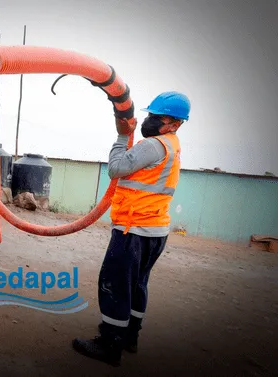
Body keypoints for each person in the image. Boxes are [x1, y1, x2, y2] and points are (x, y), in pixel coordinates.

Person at [72, 91, 191, 366]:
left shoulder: (153, 145)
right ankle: (129, 338)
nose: (149, 121)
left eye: (156, 117)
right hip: (155, 230)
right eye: (149, 115)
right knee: (137, 285)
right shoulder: (172, 145)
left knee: (115, 284)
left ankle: (109, 345)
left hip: (133, 229)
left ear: (175, 123)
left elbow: (115, 168)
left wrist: (123, 136)